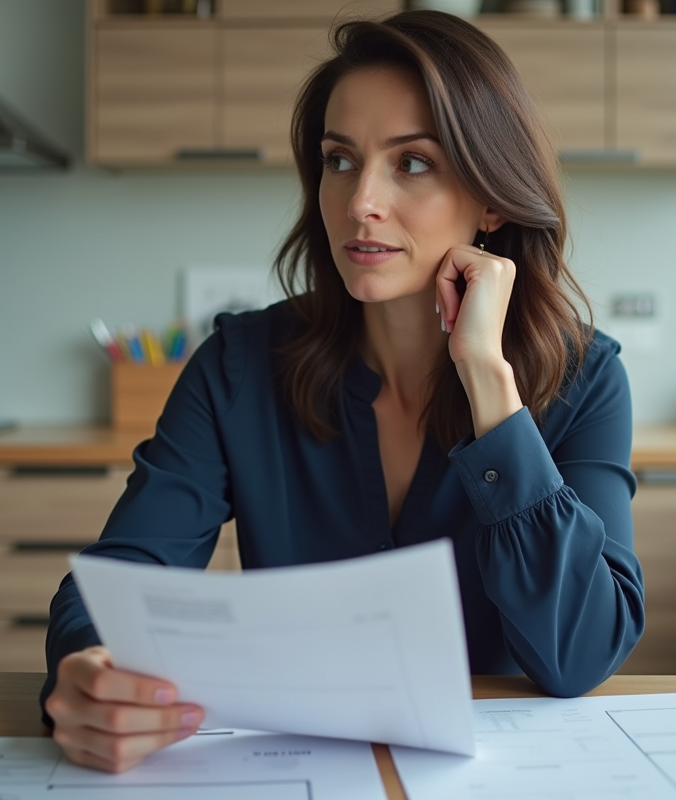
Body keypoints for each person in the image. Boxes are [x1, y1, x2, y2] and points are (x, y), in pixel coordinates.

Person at [41, 9, 644, 773]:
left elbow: (581, 654)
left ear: (491, 200)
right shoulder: (237, 365)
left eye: (413, 163)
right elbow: (123, 578)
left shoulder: (586, 378)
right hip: (292, 770)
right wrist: (85, 668)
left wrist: (491, 386)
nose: (361, 201)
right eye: (339, 159)